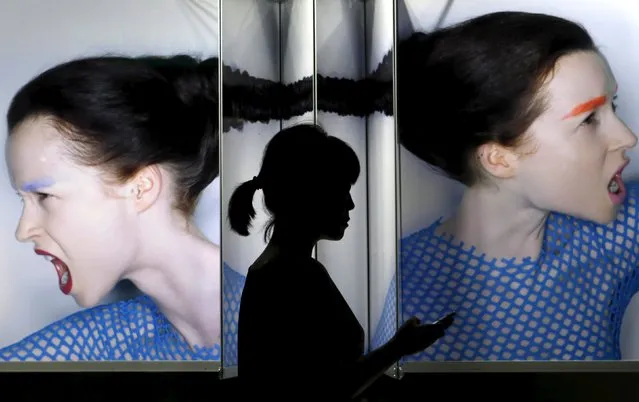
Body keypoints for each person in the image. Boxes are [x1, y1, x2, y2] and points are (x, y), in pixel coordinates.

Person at [394, 11, 639, 361]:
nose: (627, 137)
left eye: (612, 106)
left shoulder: (618, 237)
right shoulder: (399, 282)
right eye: (589, 120)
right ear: (499, 159)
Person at [1, 55, 221, 361]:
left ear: (141, 188)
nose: (23, 231)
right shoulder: (96, 344)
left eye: (44, 196)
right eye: (24, 201)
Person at [228, 123, 455, 400]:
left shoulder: (270, 268)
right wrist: (399, 347)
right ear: (310, 194)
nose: (350, 204)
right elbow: (328, 388)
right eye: (341, 190)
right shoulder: (296, 274)